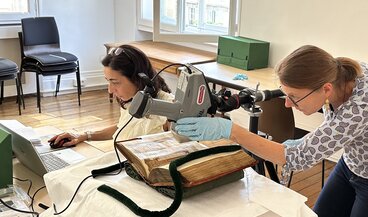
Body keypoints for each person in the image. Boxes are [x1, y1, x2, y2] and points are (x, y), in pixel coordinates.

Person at [175, 45, 368, 217]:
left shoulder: (358, 109)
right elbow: (338, 128)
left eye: (293, 97)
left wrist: (232, 131)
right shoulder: (338, 74)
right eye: (285, 94)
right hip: (351, 163)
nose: (286, 103)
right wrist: (310, 140)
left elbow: (296, 159)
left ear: (326, 89)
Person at [49, 44, 174, 147]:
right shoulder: (133, 99)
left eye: (115, 82)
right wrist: (84, 135)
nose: (110, 90)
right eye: (108, 81)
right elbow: (123, 127)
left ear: (139, 79)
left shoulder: (170, 109)